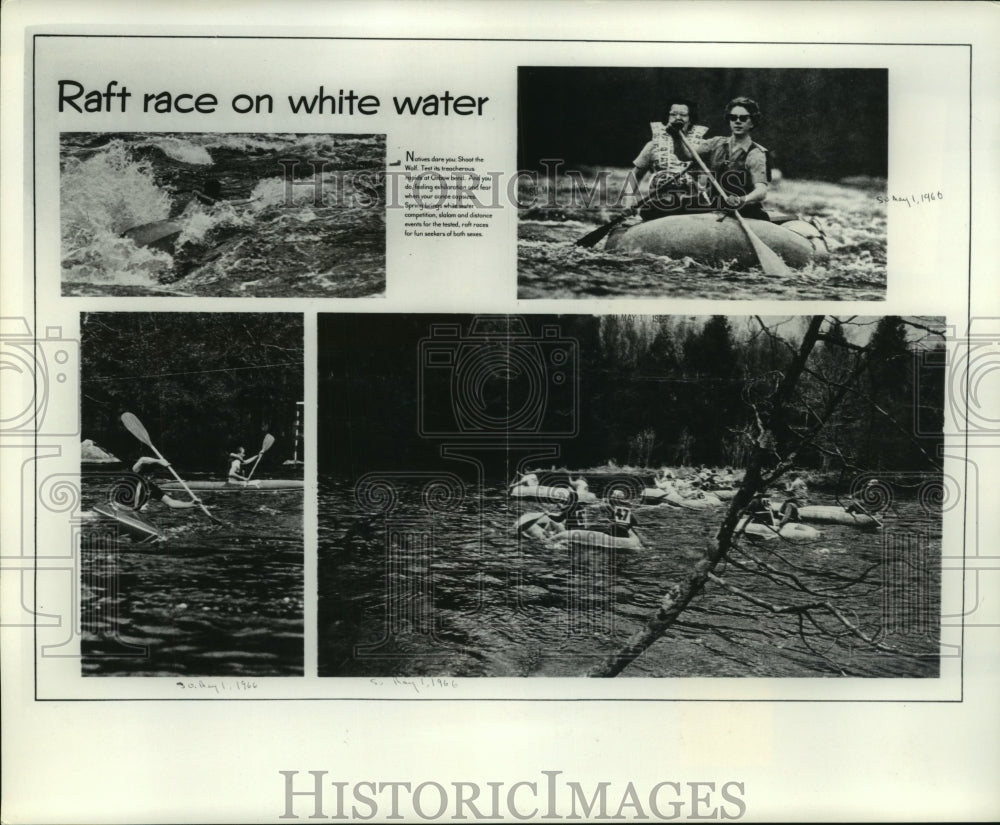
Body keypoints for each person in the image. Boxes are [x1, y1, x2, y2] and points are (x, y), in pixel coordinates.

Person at [689, 96, 771, 220]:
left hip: (745, 211)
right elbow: (685, 155)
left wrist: (742, 200)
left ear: (752, 122)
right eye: (733, 118)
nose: (737, 121)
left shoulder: (756, 153)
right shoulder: (715, 143)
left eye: (743, 118)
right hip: (715, 209)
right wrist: (676, 137)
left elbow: (761, 191)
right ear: (729, 120)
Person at [627, 98, 710, 220]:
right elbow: (635, 175)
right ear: (667, 118)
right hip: (662, 202)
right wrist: (628, 201)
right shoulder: (653, 145)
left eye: (683, 115)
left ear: (690, 119)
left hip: (693, 203)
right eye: (673, 114)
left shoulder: (704, 146)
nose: (678, 118)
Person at [112, 455, 198, 511]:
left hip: (133, 512)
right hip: (118, 507)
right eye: (148, 475)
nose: (150, 478)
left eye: (152, 476)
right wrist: (159, 461)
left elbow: (171, 502)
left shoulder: (152, 488)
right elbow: (142, 460)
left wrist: (190, 504)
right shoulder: (134, 474)